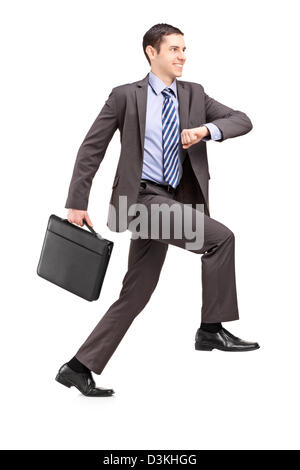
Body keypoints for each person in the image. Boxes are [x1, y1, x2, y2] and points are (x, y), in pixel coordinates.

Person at [55, 23, 260, 397]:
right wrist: (76, 202)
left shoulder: (194, 95)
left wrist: (205, 131)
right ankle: (211, 329)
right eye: (174, 49)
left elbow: (242, 120)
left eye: (185, 49)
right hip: (140, 202)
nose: (183, 56)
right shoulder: (124, 96)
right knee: (220, 239)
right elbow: (91, 148)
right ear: (152, 52)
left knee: (136, 292)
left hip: (171, 201)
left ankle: (77, 367)